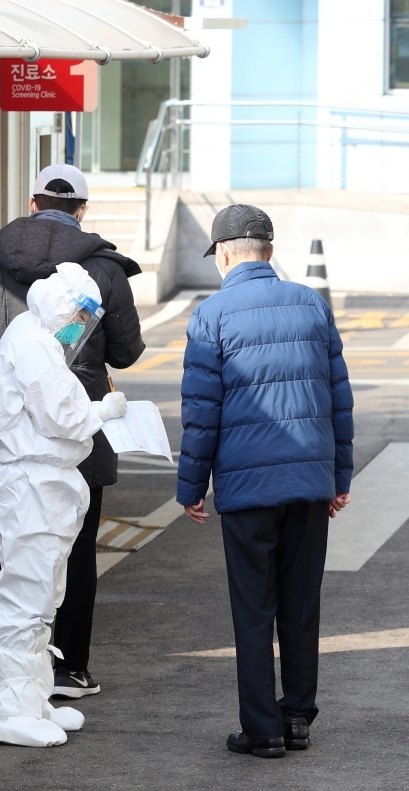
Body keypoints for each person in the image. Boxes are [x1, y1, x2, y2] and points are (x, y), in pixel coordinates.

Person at [0, 163, 145, 700]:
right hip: (78, 437)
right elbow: (127, 351)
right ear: (81, 211)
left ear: (33, 203)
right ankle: (69, 671)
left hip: (13, 444)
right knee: (77, 549)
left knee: (12, 549)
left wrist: (6, 410)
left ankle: (11, 670)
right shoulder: (104, 268)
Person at [177, 204, 353, 759]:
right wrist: (339, 476)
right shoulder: (312, 305)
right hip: (309, 480)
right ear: (270, 253)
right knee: (301, 603)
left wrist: (191, 486)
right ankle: (298, 715)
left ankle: (263, 729)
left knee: (254, 605)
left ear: (224, 255)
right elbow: (338, 399)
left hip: (248, 490)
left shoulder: (212, 315)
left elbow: (201, 411)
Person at [0, 263, 129, 748]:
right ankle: (10, 707)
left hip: (42, 487)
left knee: (42, 599)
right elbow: (62, 415)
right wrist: (103, 410)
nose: (82, 326)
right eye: (80, 314)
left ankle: (32, 698)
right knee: (24, 599)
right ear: (64, 305)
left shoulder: (37, 339)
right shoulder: (33, 343)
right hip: (30, 488)